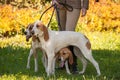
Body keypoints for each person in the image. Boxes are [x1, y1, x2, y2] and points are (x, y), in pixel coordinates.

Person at [52, 0, 89, 74]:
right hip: (59, 3)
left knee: (70, 35)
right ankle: (63, 63)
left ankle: (73, 64)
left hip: (74, 4)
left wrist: (84, 6)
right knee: (61, 35)